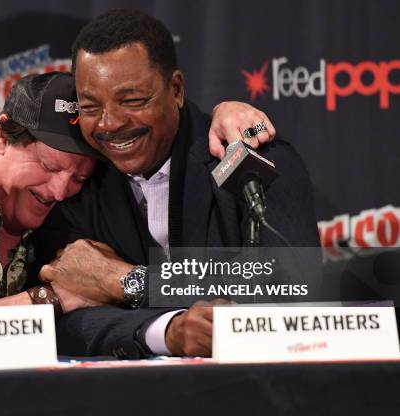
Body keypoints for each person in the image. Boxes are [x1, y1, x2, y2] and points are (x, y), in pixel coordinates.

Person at [32, 9, 321, 358]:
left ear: (177, 90)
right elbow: (65, 320)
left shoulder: (250, 159)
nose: (109, 124)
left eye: (132, 100)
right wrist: (165, 333)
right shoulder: (79, 181)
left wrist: (130, 282)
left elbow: (291, 288)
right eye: (91, 107)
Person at [0, 70, 268, 316]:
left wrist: (222, 112)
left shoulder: (81, 199)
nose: (62, 190)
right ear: (1, 134)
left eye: (79, 177)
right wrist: (56, 299)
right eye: (48, 167)